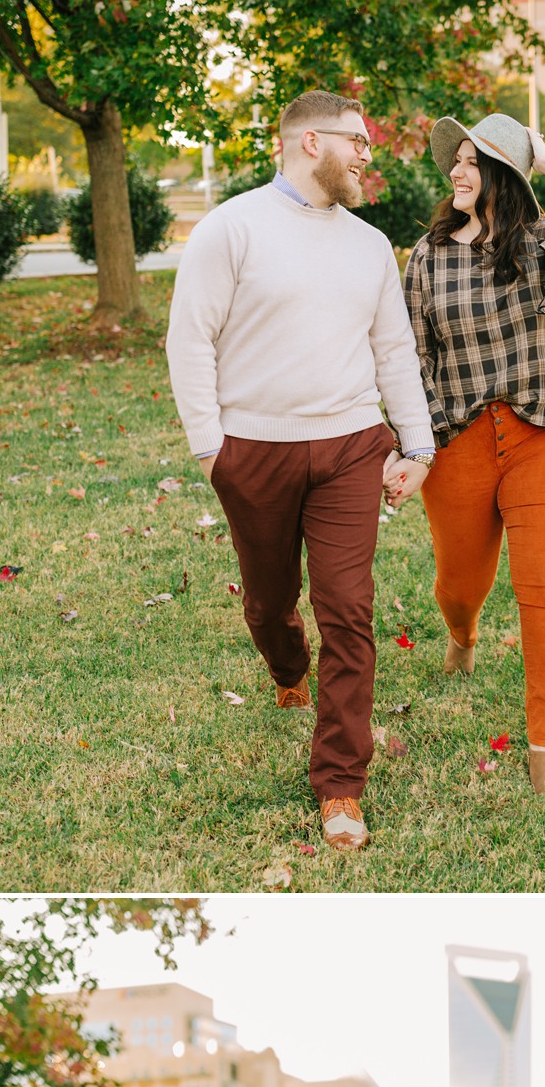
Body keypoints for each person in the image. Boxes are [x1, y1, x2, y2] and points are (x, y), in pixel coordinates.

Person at [166, 90, 436, 854]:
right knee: (269, 601)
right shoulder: (232, 229)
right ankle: (287, 667)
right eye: (357, 141)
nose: (367, 156)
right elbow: (190, 341)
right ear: (309, 142)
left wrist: (415, 447)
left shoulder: (369, 245)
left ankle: (341, 783)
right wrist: (211, 450)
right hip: (253, 450)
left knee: (348, 609)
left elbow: (393, 352)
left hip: (352, 446)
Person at [400, 114, 545, 800]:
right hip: (460, 439)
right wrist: (414, 444)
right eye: (456, 162)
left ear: (502, 173)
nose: (458, 172)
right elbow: (414, 359)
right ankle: (462, 635)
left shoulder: (538, 245)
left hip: (543, 433)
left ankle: (542, 748)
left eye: (474, 162)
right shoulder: (426, 256)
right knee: (460, 581)